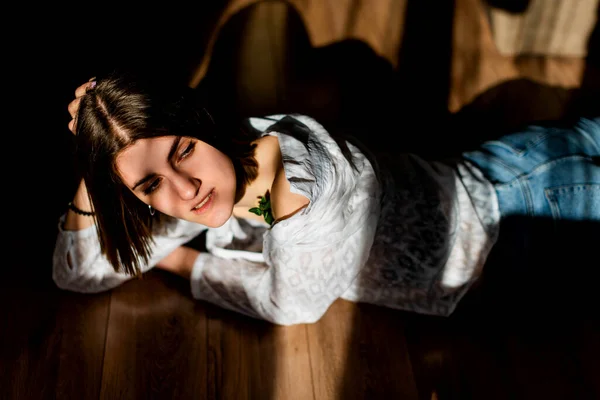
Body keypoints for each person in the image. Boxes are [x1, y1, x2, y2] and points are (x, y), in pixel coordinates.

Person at [53, 69, 600, 325]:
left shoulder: (312, 202)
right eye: (148, 184)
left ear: (200, 123)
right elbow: (76, 274)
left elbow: (285, 303)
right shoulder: (217, 176)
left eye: (183, 151)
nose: (185, 188)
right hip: (502, 169)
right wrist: (97, 161)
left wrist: (174, 259)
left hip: (529, 218)